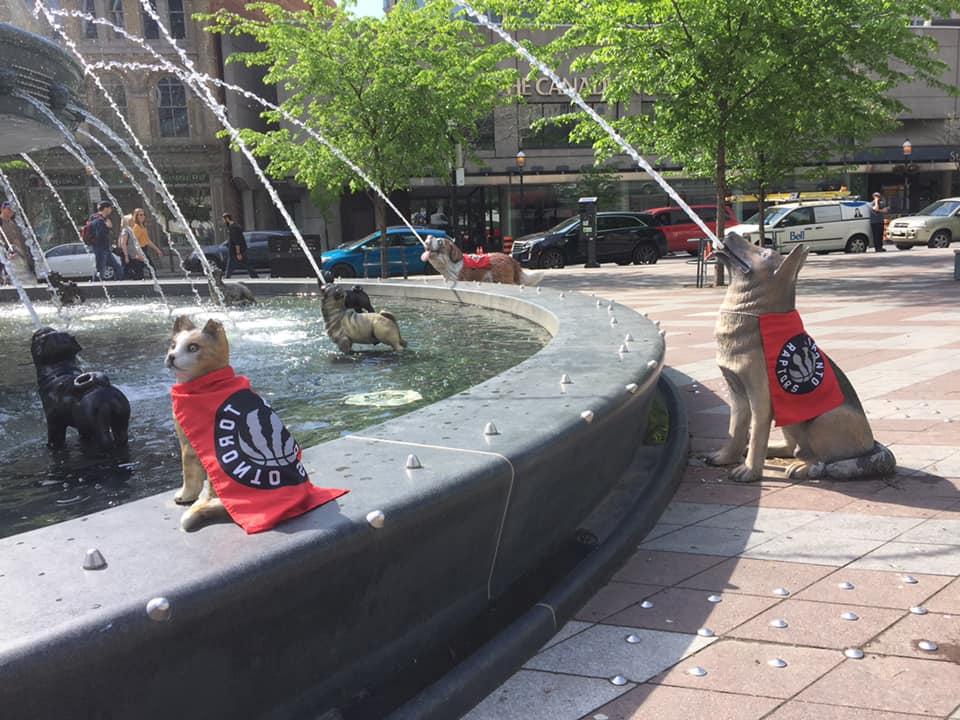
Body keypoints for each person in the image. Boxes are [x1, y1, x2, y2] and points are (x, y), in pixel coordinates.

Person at [89, 200, 124, 281]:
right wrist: (108, 227)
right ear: (106, 209)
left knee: (118, 268)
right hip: (101, 249)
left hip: (104, 249)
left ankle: (118, 286)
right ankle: (96, 289)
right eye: (110, 208)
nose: (111, 210)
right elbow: (100, 235)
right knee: (100, 270)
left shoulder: (97, 218)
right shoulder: (99, 220)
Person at [0, 201, 32, 284]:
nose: (10, 211)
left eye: (12, 209)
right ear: (2, 209)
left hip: (16, 257)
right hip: (5, 256)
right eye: (8, 209)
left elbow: (18, 240)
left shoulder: (13, 224)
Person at [222, 213, 258, 279]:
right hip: (241, 249)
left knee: (230, 265)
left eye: (223, 219)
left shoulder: (233, 228)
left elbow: (236, 241)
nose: (223, 221)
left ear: (227, 218)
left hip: (235, 251)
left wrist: (238, 253)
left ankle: (227, 277)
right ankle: (254, 276)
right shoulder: (235, 226)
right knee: (246, 263)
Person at [120, 213, 147, 280]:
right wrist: (126, 256)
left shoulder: (131, 230)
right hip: (130, 256)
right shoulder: (125, 230)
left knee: (139, 273)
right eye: (132, 220)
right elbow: (123, 243)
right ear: (128, 222)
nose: (134, 221)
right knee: (131, 274)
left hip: (134, 256)